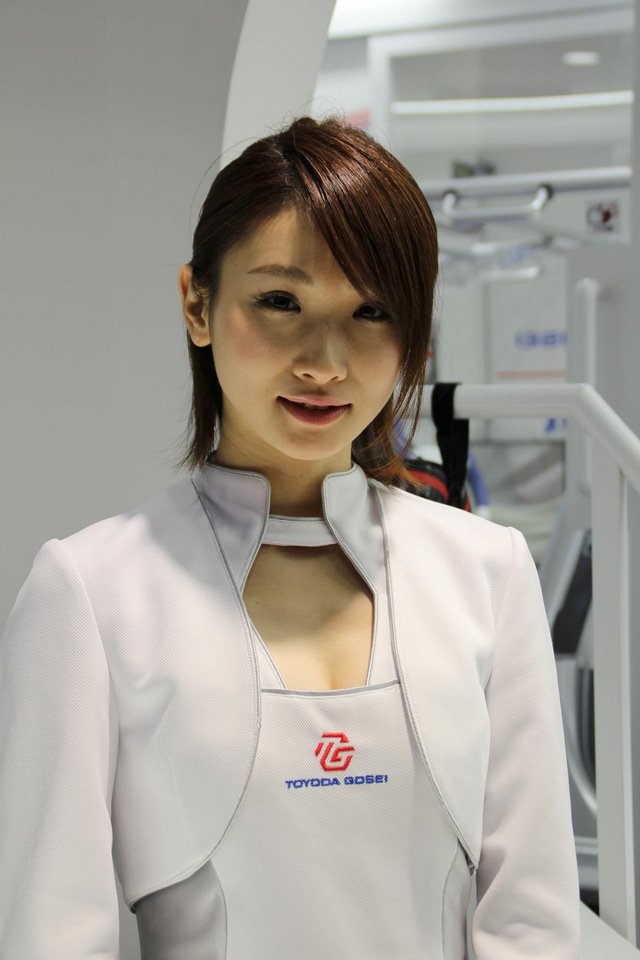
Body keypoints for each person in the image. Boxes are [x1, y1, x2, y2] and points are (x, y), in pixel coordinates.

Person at [0, 114, 580, 959]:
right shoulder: (91, 592)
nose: (325, 361)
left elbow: (533, 921)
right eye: (280, 301)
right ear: (197, 303)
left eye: (371, 310)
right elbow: (53, 936)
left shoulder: (487, 572)